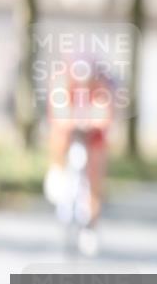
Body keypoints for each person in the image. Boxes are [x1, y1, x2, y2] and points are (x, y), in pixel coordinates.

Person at [43, 56, 117, 256]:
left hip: (93, 135)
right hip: (69, 128)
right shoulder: (62, 85)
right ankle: (56, 169)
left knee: (95, 169)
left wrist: (94, 122)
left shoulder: (102, 88)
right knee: (59, 136)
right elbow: (58, 113)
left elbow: (105, 115)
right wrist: (70, 122)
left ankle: (91, 224)